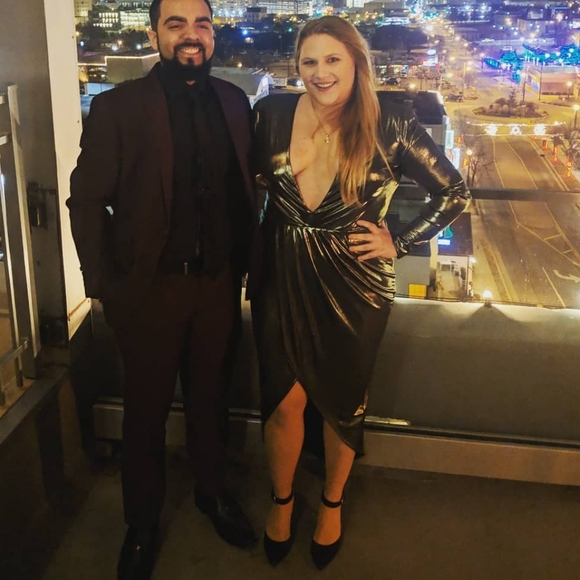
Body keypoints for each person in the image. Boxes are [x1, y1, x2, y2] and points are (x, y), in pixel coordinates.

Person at [252, 16, 471, 571]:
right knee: (282, 400)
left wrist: (400, 241)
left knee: (341, 402)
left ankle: (331, 503)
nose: (320, 73)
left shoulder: (389, 122)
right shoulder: (271, 114)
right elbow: (244, 180)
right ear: (296, 66)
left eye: (333, 60)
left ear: (356, 63)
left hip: (355, 282)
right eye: (309, 62)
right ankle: (281, 500)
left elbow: (453, 191)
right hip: (282, 271)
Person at [67, 0, 259, 578]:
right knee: (145, 414)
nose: (191, 35)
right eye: (176, 24)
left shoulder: (235, 102)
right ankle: (143, 524)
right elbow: (85, 201)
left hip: (217, 285)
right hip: (149, 292)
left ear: (213, 34)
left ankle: (211, 492)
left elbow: (244, 188)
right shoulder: (118, 107)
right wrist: (105, 286)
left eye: (202, 24)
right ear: (155, 35)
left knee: (211, 399)